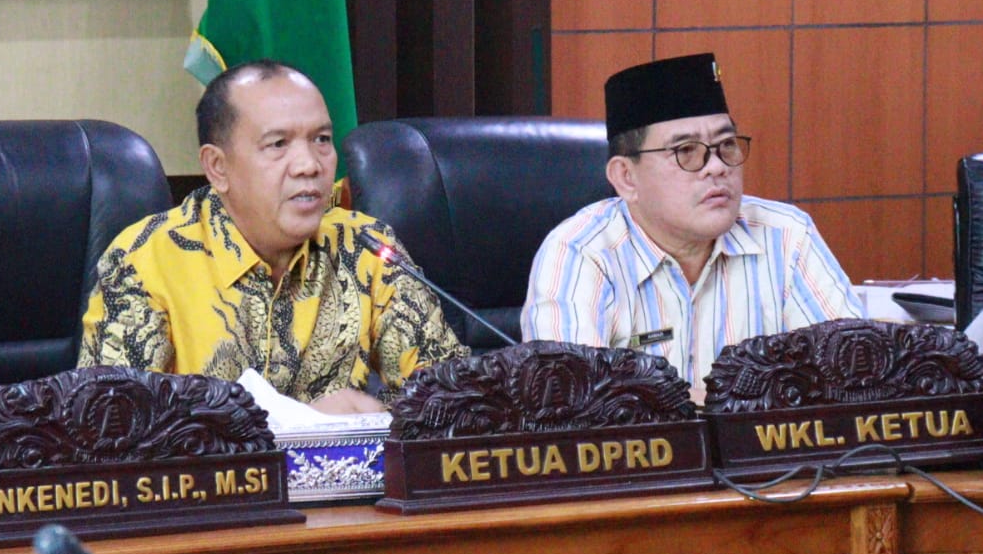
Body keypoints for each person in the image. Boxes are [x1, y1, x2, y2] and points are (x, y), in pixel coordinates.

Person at [79, 60, 466, 412]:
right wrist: (303, 426)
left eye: (322, 139)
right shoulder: (146, 262)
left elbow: (453, 400)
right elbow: (111, 429)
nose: (309, 165)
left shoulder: (365, 247)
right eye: (278, 144)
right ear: (218, 167)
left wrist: (375, 417)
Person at [521, 53, 863, 401]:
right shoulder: (580, 253)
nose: (716, 167)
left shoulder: (786, 235)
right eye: (686, 151)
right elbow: (572, 404)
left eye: (726, 145)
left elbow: (853, 378)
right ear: (626, 178)